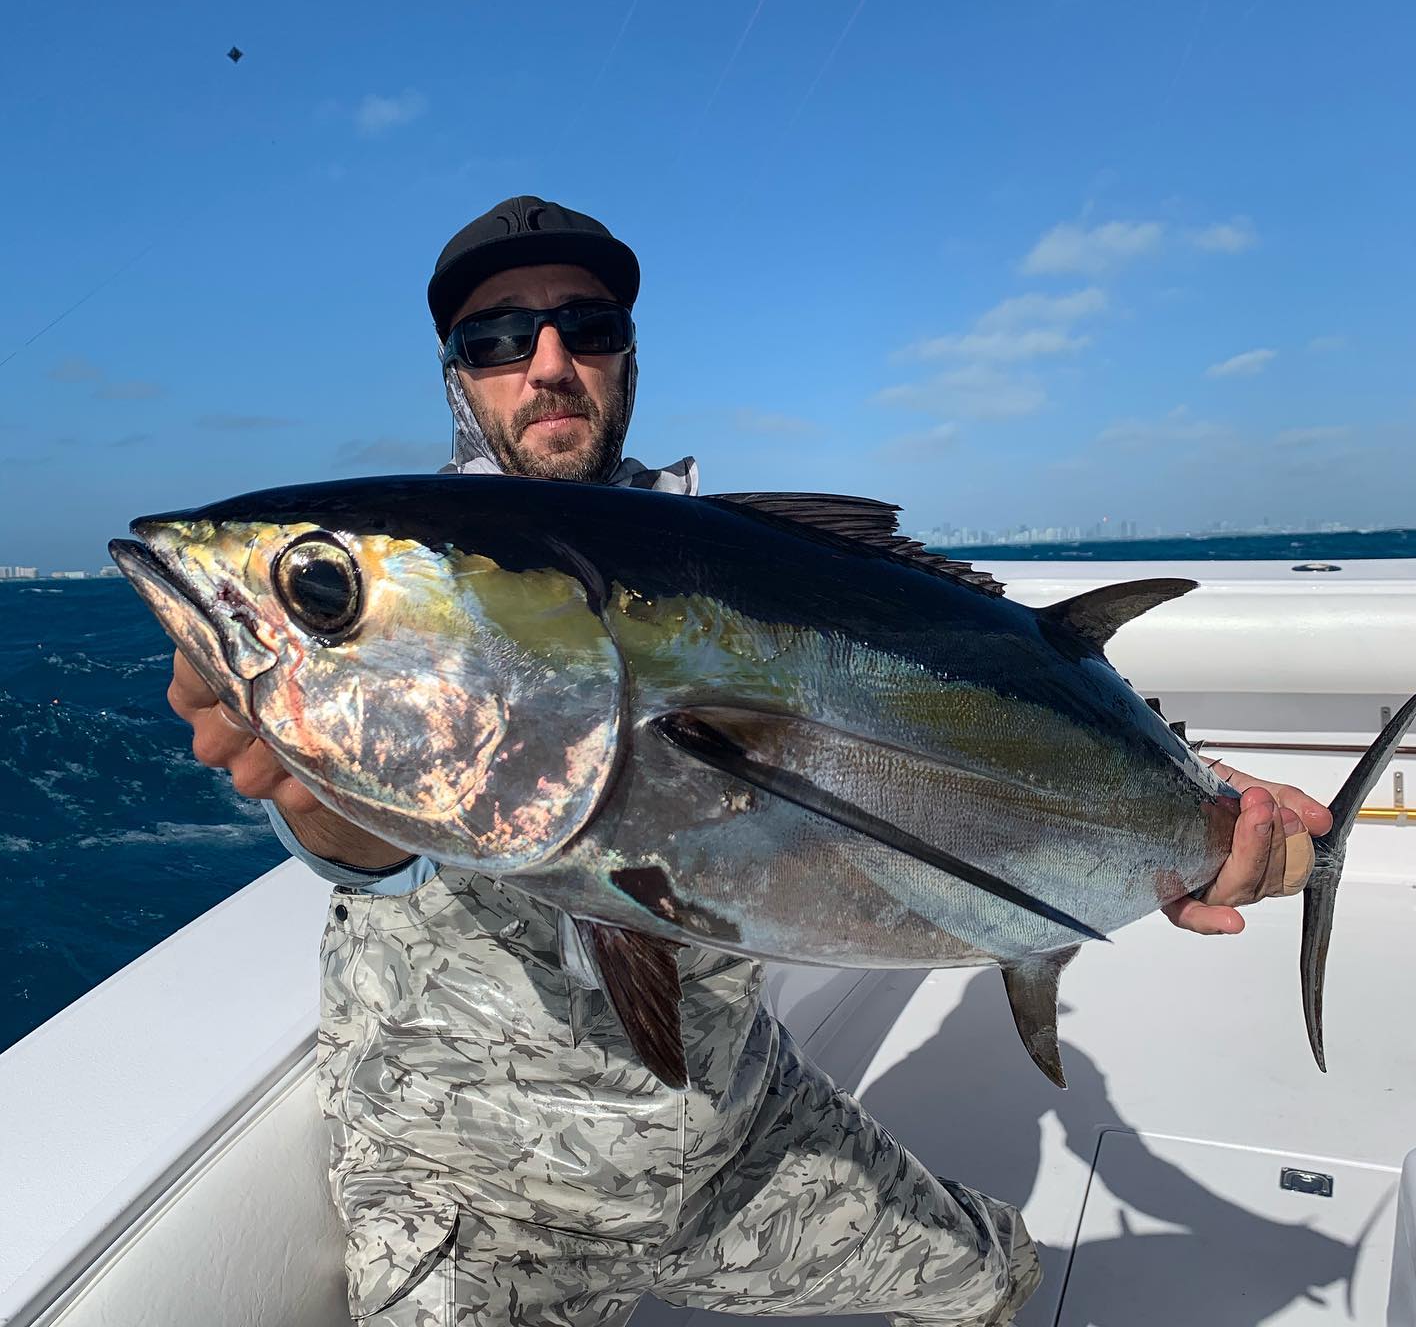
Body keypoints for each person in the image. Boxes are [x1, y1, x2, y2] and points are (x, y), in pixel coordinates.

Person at [168, 196, 1332, 1325]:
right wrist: (317, 779)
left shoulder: (738, 560)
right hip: (483, 1204)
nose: (549, 360)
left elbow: (985, 724)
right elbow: (371, 848)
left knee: (992, 1280)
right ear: (458, 375)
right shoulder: (422, 607)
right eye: (499, 337)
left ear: (627, 358)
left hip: (734, 1146)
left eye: (590, 326)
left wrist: (1203, 824)